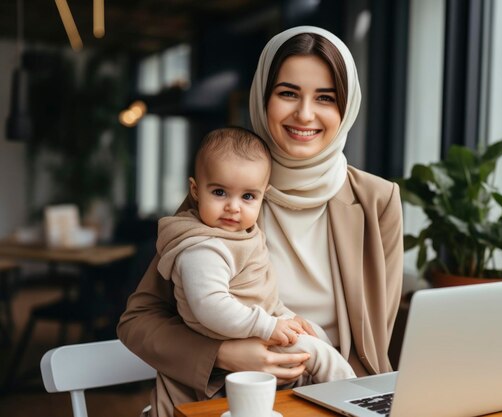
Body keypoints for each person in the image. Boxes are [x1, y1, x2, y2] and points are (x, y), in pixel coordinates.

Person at [118, 26, 403, 417]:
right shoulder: (225, 186)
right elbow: (138, 321)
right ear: (263, 97)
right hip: (232, 399)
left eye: (325, 98)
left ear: (348, 106)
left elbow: (375, 338)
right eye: (288, 93)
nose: (304, 114)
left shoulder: (377, 201)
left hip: (336, 399)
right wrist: (224, 354)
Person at [155, 127, 356, 389]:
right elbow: (211, 306)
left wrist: (286, 317)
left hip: (255, 327)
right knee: (320, 355)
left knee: (314, 335)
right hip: (234, 339)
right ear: (195, 190)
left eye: (248, 196)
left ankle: (315, 393)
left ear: (264, 194)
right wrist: (269, 325)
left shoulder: (245, 234)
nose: (233, 207)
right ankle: (351, 399)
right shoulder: (203, 248)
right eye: (219, 193)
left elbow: (260, 292)